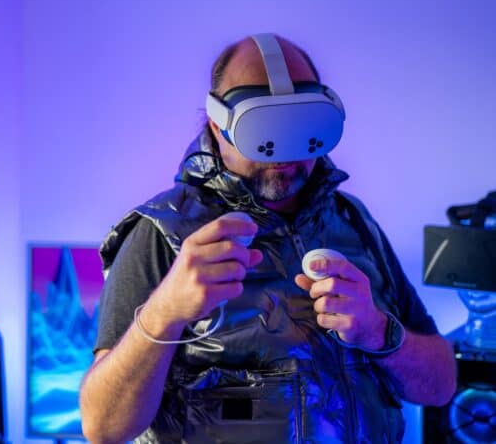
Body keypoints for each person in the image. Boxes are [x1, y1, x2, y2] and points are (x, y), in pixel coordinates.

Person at [79, 33, 457, 443]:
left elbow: (439, 387)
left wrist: (377, 330)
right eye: (262, 131)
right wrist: (165, 311)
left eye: (300, 127)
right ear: (218, 126)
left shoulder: (353, 222)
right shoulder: (161, 232)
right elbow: (103, 426)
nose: (283, 155)